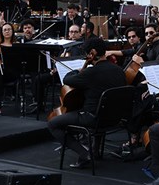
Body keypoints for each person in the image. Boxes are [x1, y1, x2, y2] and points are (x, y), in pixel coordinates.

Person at [48, 38, 128, 169]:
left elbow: (67, 80)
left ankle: (84, 154)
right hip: (115, 118)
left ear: (93, 52)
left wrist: (78, 70)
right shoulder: (119, 70)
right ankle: (95, 151)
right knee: (101, 107)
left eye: (86, 53)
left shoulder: (90, 73)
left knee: (53, 123)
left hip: (93, 118)